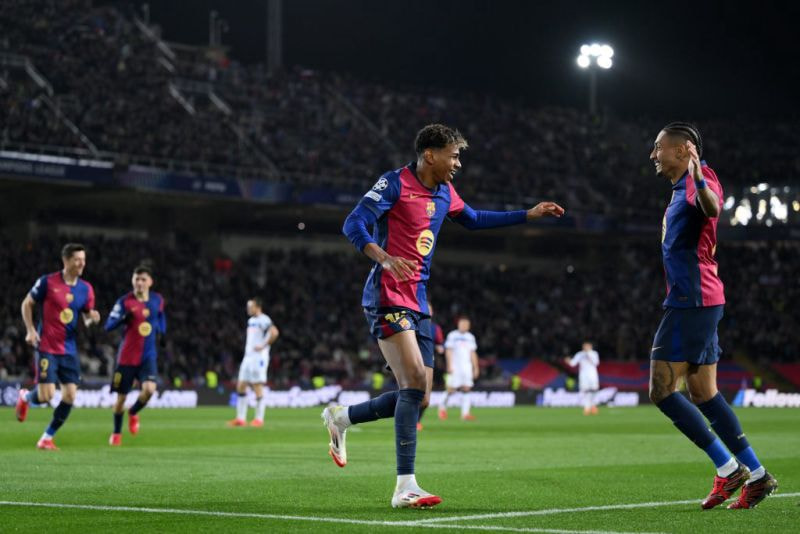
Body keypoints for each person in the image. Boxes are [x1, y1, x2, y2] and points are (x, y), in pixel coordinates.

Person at [323, 123, 564, 508]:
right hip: (388, 295)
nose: (458, 163)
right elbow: (353, 222)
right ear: (430, 155)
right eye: (453, 156)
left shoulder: (445, 193)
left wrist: (528, 214)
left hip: (419, 301)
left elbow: (474, 218)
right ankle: (405, 486)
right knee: (414, 383)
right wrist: (384, 258)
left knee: (419, 398)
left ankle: (342, 417)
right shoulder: (395, 183)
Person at [648, 122, 777, 509]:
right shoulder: (680, 188)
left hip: (692, 300)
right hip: (700, 299)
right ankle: (757, 475)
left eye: (658, 147)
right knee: (703, 393)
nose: (653, 155)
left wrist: (699, 177)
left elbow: (712, 207)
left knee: (661, 390)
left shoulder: (699, 179)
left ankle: (727, 467)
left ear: (683, 149)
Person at [15, 243, 101, 450]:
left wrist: (93, 318)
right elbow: (27, 303)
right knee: (46, 395)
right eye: (77, 259)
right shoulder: (47, 282)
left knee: (70, 395)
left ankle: (46, 438)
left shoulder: (86, 289)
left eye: (83, 260)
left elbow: (86, 317)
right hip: (47, 346)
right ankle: (25, 397)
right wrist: (30, 330)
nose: (82, 263)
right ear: (66, 260)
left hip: (69, 349)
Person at [104, 265, 166, 446]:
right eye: (136, 279)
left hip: (148, 356)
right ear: (132, 281)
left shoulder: (157, 299)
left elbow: (161, 316)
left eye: (143, 279)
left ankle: (133, 412)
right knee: (121, 399)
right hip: (127, 358)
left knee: (150, 389)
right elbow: (108, 325)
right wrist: (123, 319)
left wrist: (162, 331)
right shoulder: (124, 302)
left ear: (150, 282)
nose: (139, 282)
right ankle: (116, 433)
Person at [228, 298, 279, 427]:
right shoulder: (251, 321)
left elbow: (274, 332)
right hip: (248, 357)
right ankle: (240, 419)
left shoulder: (264, 319)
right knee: (241, 385)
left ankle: (259, 419)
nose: (248, 309)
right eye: (248, 306)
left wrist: (263, 346)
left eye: (251, 306)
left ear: (258, 307)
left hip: (258, 357)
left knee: (257, 386)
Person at [438, 316, 479, 421]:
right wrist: (449, 365)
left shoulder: (470, 337)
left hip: (466, 367)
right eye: (462, 324)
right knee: (451, 389)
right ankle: (442, 408)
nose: (463, 326)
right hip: (455, 366)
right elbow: (448, 351)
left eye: (465, 324)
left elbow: (473, 353)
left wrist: (475, 367)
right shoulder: (453, 335)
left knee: (467, 388)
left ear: (468, 326)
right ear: (458, 325)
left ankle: (465, 414)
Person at [417, 300, 444, 430]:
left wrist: (440, 347)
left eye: (429, 309)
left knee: (426, 397)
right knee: (413, 391)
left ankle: (416, 421)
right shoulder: (412, 325)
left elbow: (440, 343)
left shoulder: (435, 328)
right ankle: (410, 421)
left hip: (428, 362)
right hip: (414, 361)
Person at [564, 341, 600, 415]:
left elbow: (596, 363)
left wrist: (588, 353)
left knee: (594, 390)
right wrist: (568, 361)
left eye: (587, 346)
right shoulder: (579, 354)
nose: (585, 347)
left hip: (592, 375)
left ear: (590, 346)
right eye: (584, 346)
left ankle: (593, 405)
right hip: (583, 375)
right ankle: (587, 408)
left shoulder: (594, 353)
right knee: (585, 391)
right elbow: (573, 363)